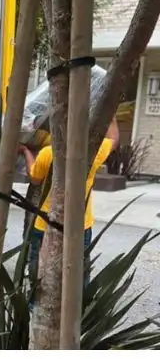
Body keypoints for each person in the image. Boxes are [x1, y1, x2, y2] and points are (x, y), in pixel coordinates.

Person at [18, 117, 120, 293]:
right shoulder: (92, 153)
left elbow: (34, 177)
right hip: (79, 225)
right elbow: (113, 139)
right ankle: (79, 305)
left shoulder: (48, 153)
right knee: (78, 271)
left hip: (44, 224)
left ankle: (34, 304)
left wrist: (26, 151)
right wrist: (111, 117)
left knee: (39, 270)